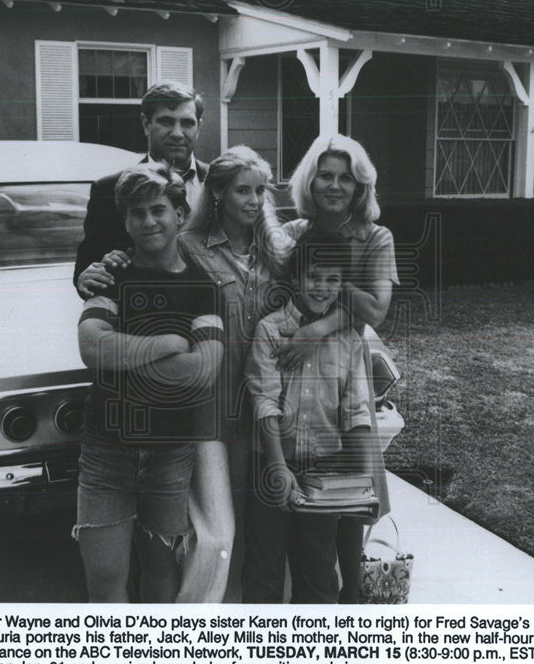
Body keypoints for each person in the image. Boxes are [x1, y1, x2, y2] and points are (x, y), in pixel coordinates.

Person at [91, 145, 293, 602]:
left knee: (258, 530)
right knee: (215, 535)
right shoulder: (188, 247)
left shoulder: (277, 253)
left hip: (264, 408)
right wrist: (102, 266)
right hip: (207, 409)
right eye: (244, 190)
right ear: (217, 192)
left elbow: (325, 281)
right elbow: (138, 261)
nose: (255, 200)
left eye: (261, 191)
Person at [74, 164, 224, 603]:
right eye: (136, 213)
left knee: (161, 571)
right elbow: (91, 347)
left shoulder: (203, 286)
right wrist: (168, 342)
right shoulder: (109, 277)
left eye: (158, 209)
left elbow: (201, 373)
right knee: (105, 581)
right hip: (106, 451)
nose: (148, 221)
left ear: (180, 214)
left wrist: (124, 355)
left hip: (171, 451)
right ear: (124, 221)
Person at [278, 134, 400, 603]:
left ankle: (348, 608)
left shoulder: (375, 236)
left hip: (346, 382)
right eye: (325, 175)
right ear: (310, 180)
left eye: (345, 178)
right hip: (291, 379)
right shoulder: (291, 233)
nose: (334, 186)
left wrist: (318, 325)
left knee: (350, 507)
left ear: (359, 185)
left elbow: (376, 310)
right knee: (297, 502)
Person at [243, 233, 373, 603]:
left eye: (333, 280)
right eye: (314, 277)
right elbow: (264, 400)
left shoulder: (348, 338)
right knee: (263, 570)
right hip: (270, 464)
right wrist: (278, 467)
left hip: (325, 469)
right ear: (296, 279)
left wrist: (364, 483)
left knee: (318, 572)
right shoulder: (271, 330)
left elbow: (356, 411)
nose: (322, 288)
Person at [74, 82, 207, 298]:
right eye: (166, 122)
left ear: (198, 127)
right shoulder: (108, 189)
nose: (177, 133)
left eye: (187, 123)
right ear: (146, 124)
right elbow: (87, 272)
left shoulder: (220, 183)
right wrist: (90, 274)